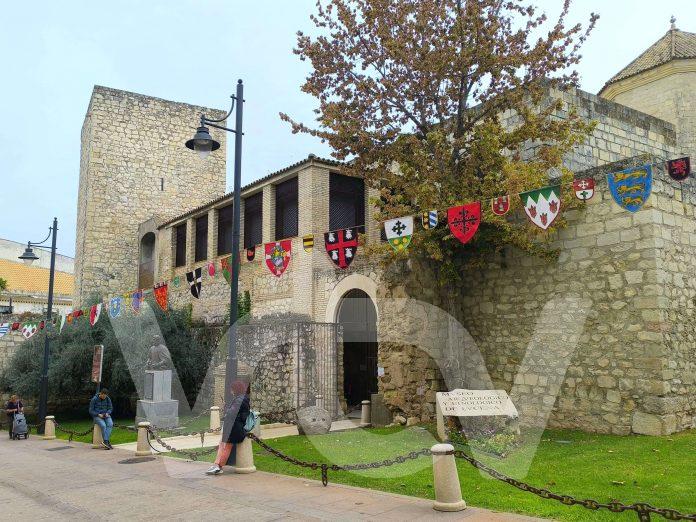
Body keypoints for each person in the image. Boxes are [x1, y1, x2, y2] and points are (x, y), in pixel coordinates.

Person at [206, 380, 250, 475]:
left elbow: (232, 413)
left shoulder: (240, 399)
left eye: (232, 389)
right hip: (232, 427)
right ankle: (216, 464)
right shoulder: (240, 398)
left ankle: (219, 466)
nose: (231, 391)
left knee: (226, 446)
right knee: (222, 445)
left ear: (236, 389)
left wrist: (226, 408)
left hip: (235, 428)